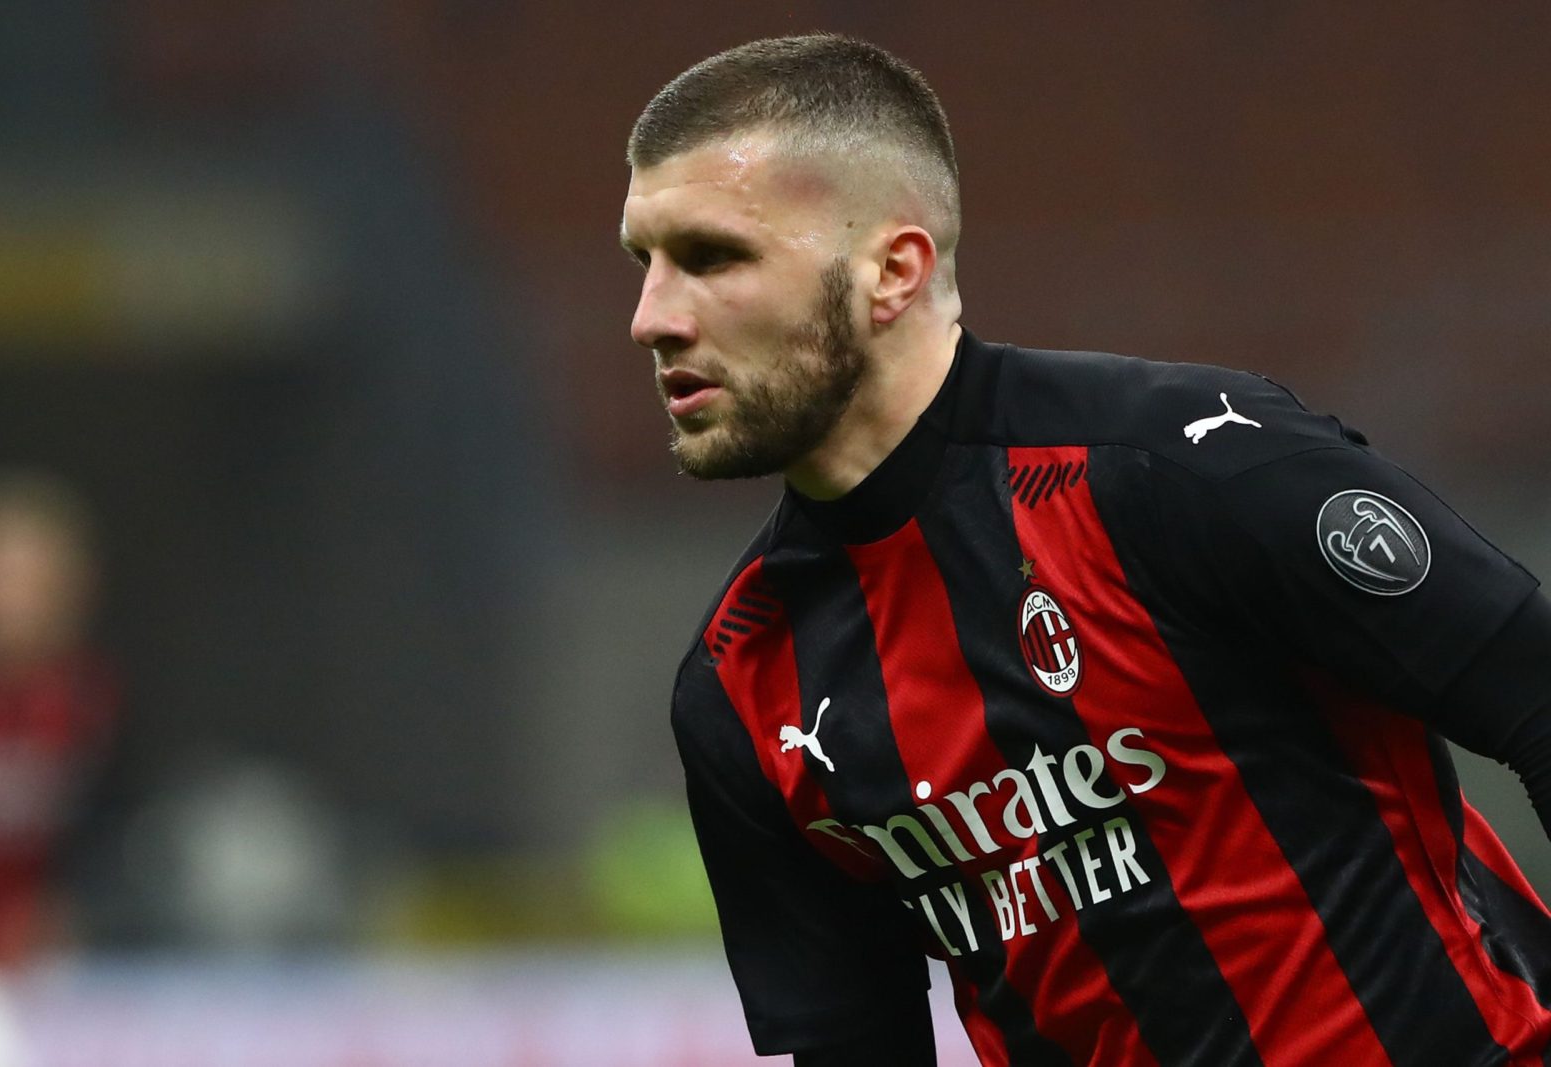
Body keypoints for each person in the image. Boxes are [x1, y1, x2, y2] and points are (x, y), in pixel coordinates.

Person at [619, 33, 1551, 1067]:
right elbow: (851, 1039)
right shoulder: (741, 677)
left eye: (712, 257)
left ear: (892, 270)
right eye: (643, 263)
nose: (652, 317)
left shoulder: (1179, 466)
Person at [0, 471, 118, 968]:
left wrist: (80, 912)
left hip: (60, 976)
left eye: (31, 580)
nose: (11, 601)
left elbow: (127, 844)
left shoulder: (102, 707)